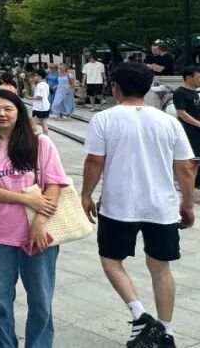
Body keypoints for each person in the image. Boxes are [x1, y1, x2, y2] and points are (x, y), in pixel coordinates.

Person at [81, 62, 196, 347]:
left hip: (119, 205)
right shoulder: (168, 121)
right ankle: (166, 331)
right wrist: (187, 204)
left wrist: (85, 194)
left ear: (115, 88)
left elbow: (94, 161)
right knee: (160, 266)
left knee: (111, 259)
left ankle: (139, 314)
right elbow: (185, 167)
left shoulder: (104, 119)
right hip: (161, 206)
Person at [0, 90, 68, 348]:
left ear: (19, 112)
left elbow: (55, 184)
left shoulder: (41, 143)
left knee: (41, 300)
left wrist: (39, 222)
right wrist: (26, 199)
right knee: (0, 300)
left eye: (8, 108)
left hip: (39, 233)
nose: (1, 114)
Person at [29, 70, 50, 135]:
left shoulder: (39, 85)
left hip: (38, 107)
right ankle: (46, 136)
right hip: (45, 106)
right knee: (44, 123)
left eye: (35, 76)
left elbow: (39, 97)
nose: (34, 77)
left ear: (39, 76)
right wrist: (32, 83)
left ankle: (34, 136)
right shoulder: (46, 84)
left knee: (33, 122)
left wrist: (29, 98)